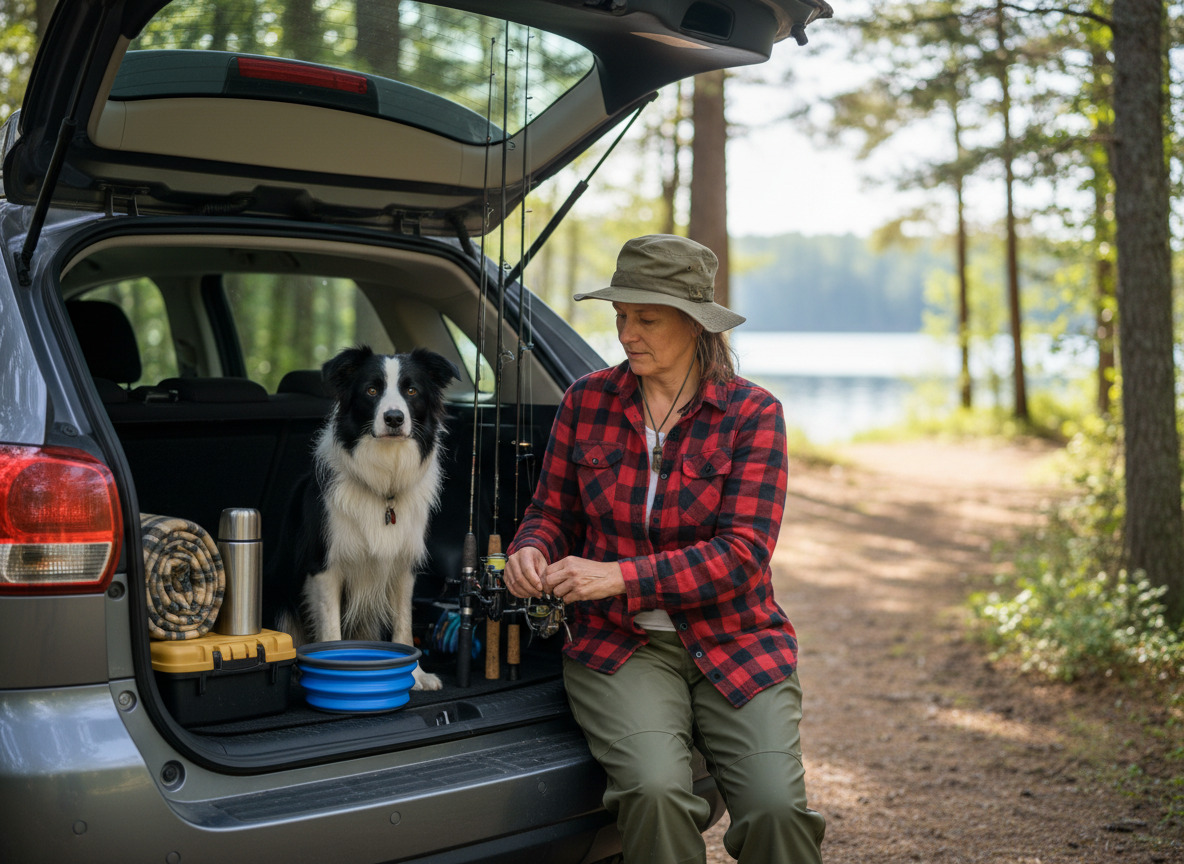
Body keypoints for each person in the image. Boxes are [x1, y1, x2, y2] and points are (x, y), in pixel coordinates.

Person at [505, 234, 826, 864]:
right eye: (621, 316)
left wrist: (619, 575)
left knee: (777, 811)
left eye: (646, 318)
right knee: (654, 792)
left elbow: (742, 555)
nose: (627, 333)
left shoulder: (754, 414)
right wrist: (530, 551)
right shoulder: (586, 400)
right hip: (620, 645)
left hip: (737, 638)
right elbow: (551, 513)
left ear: (696, 323)